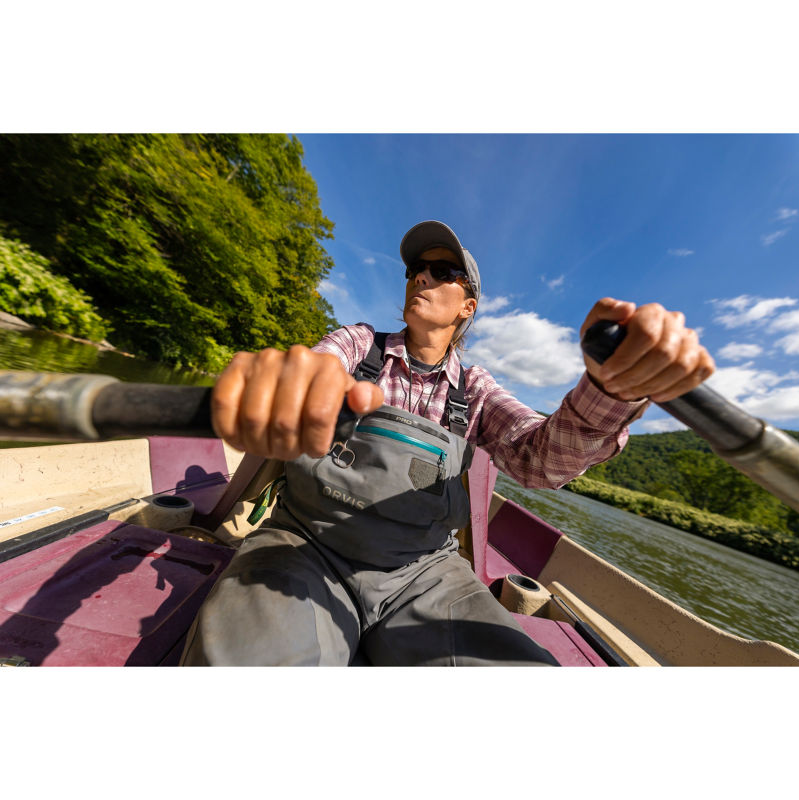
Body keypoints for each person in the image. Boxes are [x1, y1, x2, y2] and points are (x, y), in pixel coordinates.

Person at [181, 220, 714, 666]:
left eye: (443, 272)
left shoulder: (475, 390)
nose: (421, 278)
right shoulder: (357, 342)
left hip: (425, 573)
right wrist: (294, 387)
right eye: (416, 270)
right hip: (304, 546)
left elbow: (539, 460)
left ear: (468, 306)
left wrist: (611, 390)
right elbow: (322, 366)